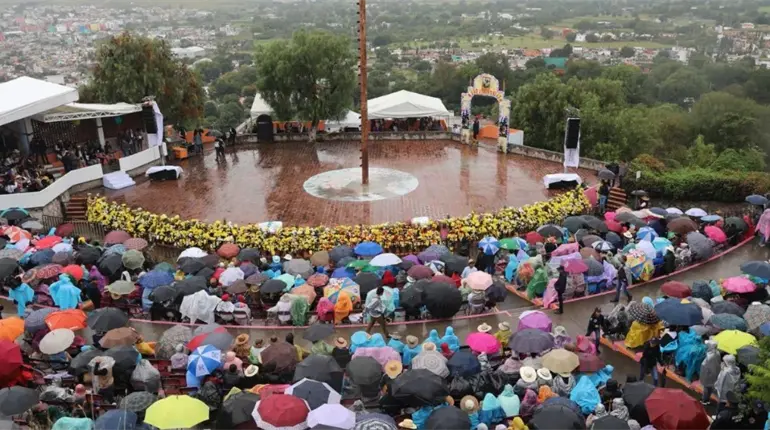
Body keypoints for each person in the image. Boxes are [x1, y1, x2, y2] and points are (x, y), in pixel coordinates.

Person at [699, 340, 720, 405]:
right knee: (710, 387)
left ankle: (704, 400)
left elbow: (704, 365)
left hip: (708, 374)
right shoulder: (717, 353)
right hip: (715, 372)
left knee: (706, 387)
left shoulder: (710, 356)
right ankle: (707, 399)